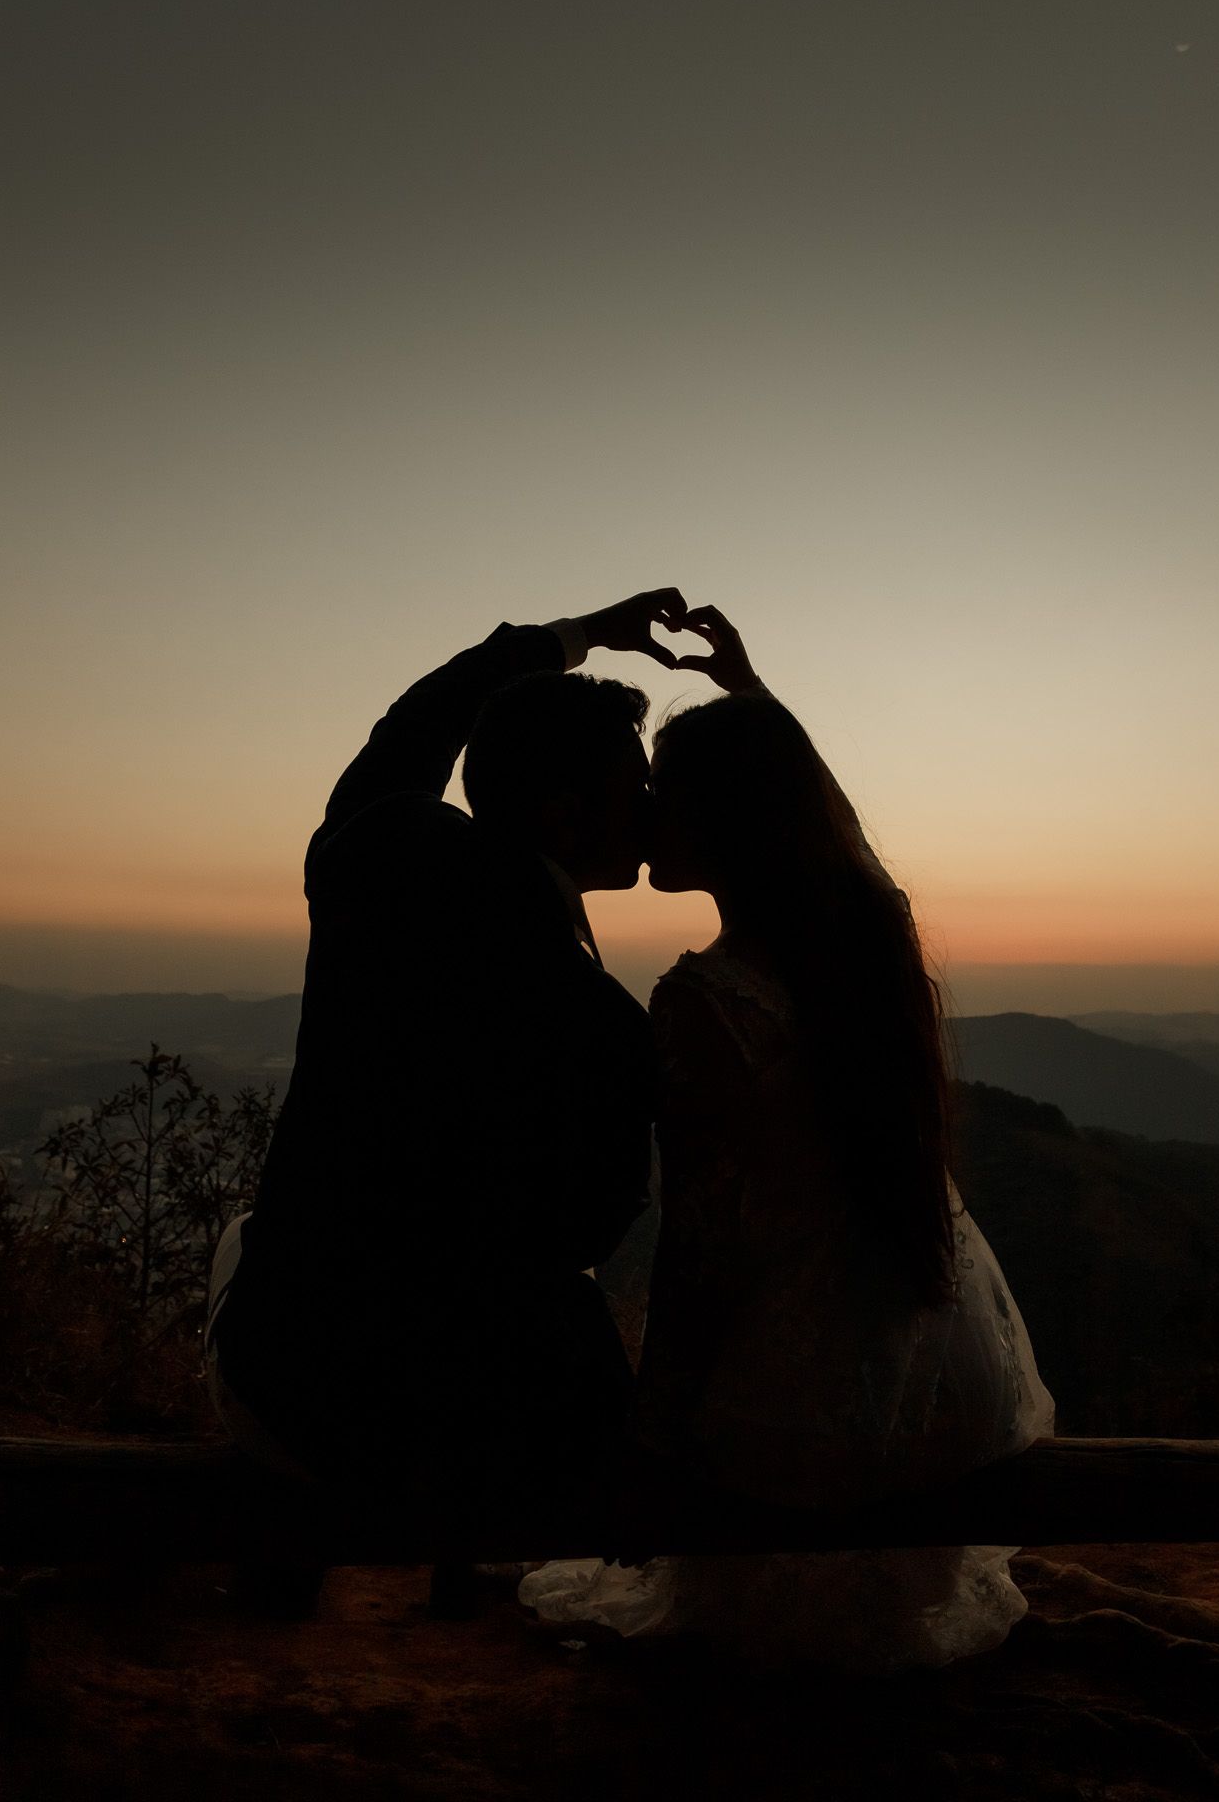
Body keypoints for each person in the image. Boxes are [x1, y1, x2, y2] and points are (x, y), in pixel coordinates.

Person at [519, 606, 1054, 1671]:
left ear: (723, 820)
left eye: (664, 792)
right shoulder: (862, 941)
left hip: (809, 1414)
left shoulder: (705, 1001)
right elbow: (836, 830)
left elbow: (700, 1249)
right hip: (936, 1377)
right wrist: (751, 697)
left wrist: (655, 1441)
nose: (645, 811)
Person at [205, 590, 689, 1558]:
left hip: (281, 1378)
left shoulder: (375, 860)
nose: (650, 809)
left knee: (259, 1234)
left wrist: (579, 636)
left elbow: (416, 722)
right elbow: (592, 1225)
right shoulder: (605, 1022)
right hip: (482, 1435)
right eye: (634, 788)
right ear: (566, 814)